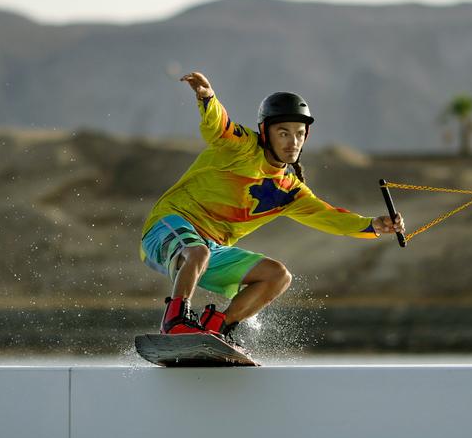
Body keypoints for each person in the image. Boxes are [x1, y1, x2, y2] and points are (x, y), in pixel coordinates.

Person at [140, 72, 405, 346]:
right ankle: (174, 322)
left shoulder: (289, 191)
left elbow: (329, 217)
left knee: (278, 276)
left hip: (210, 250)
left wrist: (373, 225)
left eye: (299, 134)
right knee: (198, 251)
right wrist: (207, 98)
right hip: (168, 227)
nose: (293, 142)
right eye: (283, 133)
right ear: (266, 132)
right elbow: (219, 127)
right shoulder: (242, 147)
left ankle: (216, 329)